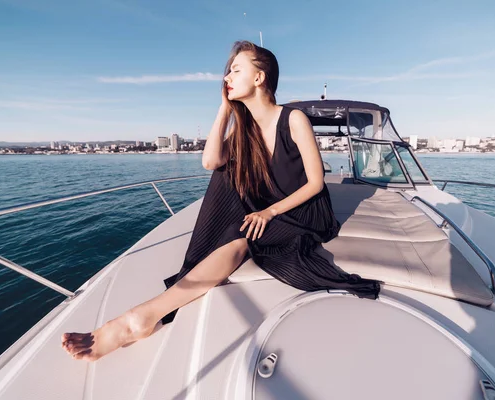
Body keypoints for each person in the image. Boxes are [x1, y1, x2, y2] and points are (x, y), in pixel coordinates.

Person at [61, 41, 380, 361]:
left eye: (236, 69)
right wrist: (226, 108)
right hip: (270, 208)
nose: (227, 75)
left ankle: (138, 319)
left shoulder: (294, 118)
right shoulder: (247, 128)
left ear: (259, 78)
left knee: (241, 235)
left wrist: (268, 212)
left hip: (305, 212)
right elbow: (211, 161)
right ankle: (153, 308)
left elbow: (315, 183)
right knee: (225, 176)